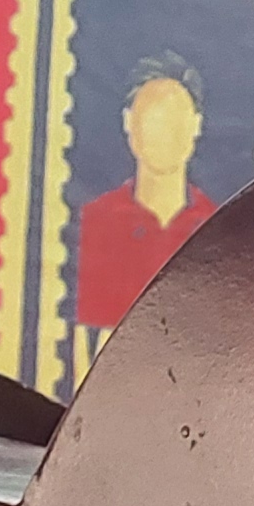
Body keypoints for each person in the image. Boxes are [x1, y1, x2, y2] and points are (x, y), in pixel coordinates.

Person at [72, 58, 216, 348]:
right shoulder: (91, 224)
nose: (165, 134)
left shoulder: (219, 229)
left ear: (196, 125)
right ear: (128, 122)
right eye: (153, 119)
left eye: (175, 120)